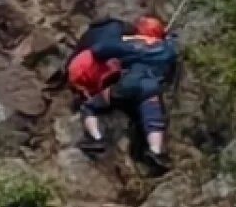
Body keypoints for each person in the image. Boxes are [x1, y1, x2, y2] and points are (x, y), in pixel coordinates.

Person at [67, 16, 179, 175]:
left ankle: (97, 139)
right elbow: (173, 45)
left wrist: (126, 39)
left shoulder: (131, 45)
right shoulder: (166, 49)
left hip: (126, 85)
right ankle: (156, 152)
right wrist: (166, 39)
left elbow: (99, 49)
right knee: (154, 120)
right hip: (150, 89)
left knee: (90, 106)